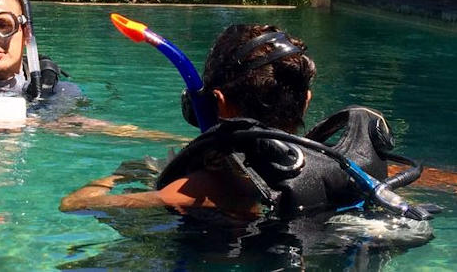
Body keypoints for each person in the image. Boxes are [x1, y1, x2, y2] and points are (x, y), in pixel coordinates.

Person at [60, 24, 432, 221]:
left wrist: (119, 176)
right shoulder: (351, 170)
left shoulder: (205, 188)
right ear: (306, 100)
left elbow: (75, 205)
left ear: (217, 103)